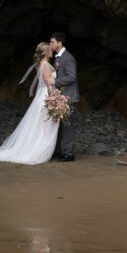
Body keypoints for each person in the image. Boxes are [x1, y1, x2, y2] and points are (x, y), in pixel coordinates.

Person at [0, 42, 59, 164]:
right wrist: (54, 98)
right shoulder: (46, 65)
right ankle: (39, 149)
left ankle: (34, 146)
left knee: (38, 123)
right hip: (46, 95)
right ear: (46, 52)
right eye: (50, 50)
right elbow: (49, 84)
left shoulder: (39, 64)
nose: (52, 52)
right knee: (44, 124)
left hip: (40, 95)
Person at [49, 32, 79, 161]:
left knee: (68, 125)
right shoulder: (58, 57)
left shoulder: (68, 58)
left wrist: (54, 82)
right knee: (59, 125)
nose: (51, 44)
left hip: (69, 96)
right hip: (61, 96)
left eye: (52, 42)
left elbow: (72, 77)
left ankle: (69, 154)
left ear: (59, 43)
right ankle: (58, 151)